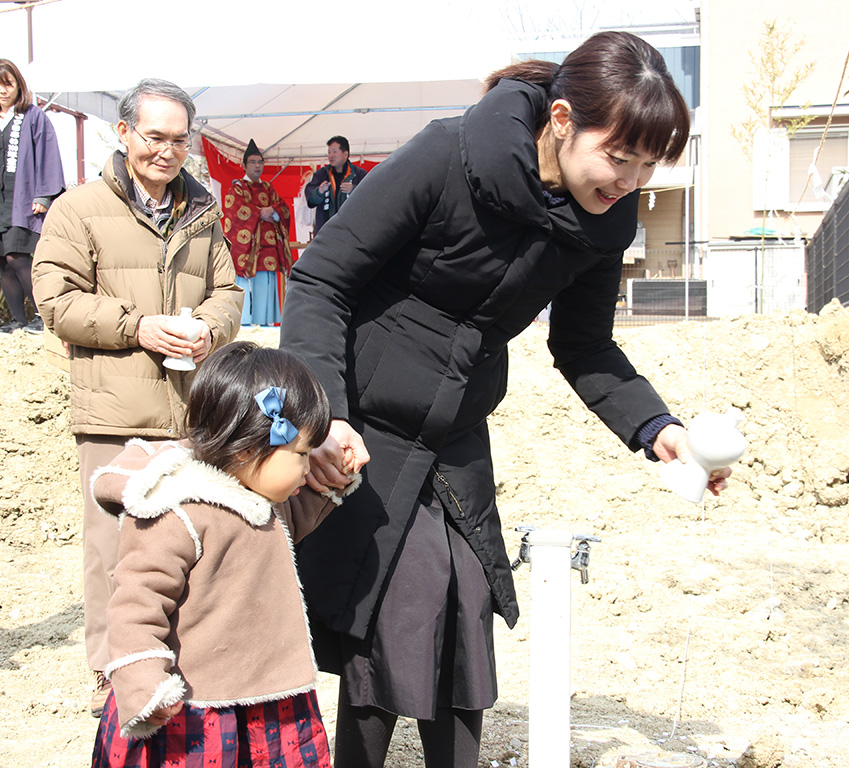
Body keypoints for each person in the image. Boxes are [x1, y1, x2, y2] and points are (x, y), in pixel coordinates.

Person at [279, 31, 733, 768]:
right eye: (619, 157)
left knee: (466, 611)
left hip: (456, 432)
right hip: (365, 423)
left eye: (647, 166)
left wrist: (657, 427)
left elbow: (583, 346)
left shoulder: (603, 222)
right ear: (561, 120)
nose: (628, 180)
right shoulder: (447, 155)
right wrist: (324, 416)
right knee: (389, 607)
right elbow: (323, 279)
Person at [31, 78, 243, 718]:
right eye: (154, 137)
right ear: (123, 135)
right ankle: (113, 673)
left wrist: (211, 326)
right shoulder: (78, 209)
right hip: (115, 413)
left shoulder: (204, 211)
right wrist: (137, 326)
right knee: (113, 552)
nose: (167, 151)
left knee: (187, 545)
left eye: (180, 139)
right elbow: (56, 299)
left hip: (192, 410)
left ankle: (185, 665)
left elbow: (229, 292)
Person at [89, 341, 358, 768]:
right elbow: (135, 607)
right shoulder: (178, 512)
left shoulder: (261, 494)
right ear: (249, 448)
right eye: (302, 454)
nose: (308, 468)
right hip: (198, 709)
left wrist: (336, 477)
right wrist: (145, 684)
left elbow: (288, 524)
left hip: (268, 696)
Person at [0, 59, 65, 335]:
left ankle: (43, 316)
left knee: (17, 256)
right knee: (2, 261)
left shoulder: (34, 117)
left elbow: (49, 156)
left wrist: (44, 194)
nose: (2, 90)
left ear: (19, 84)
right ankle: (18, 319)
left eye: (8, 83)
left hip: (24, 201)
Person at [222, 138, 294, 326]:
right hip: (247, 250)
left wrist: (274, 212)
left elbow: (283, 208)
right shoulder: (237, 188)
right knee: (246, 287)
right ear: (244, 165)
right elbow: (235, 212)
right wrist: (260, 213)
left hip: (268, 247)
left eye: (260, 162)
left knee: (266, 286)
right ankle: (243, 324)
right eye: (252, 162)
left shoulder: (269, 188)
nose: (257, 166)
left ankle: (265, 324)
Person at [303, 135, 367, 235]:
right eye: (329, 152)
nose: (330, 155)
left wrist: (354, 189)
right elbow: (310, 199)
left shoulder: (359, 175)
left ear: (345, 154)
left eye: (334, 152)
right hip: (326, 233)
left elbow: (371, 197)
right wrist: (319, 192)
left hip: (352, 233)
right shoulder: (321, 175)